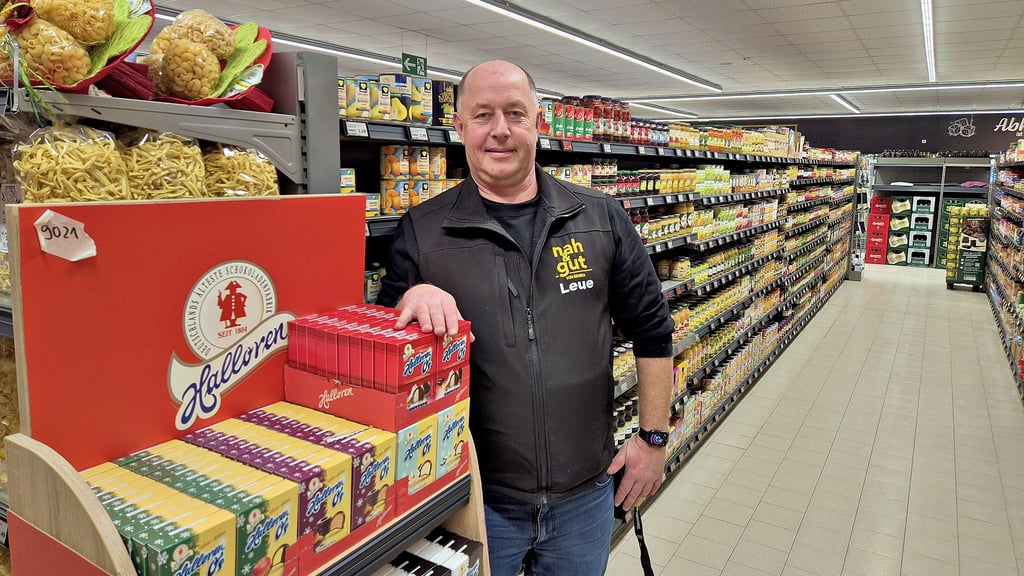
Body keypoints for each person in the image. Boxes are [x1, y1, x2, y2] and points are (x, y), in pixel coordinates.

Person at [377, 60, 674, 576]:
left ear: (540, 123)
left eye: (515, 113)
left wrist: (653, 439)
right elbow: (381, 352)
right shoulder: (422, 231)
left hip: (586, 493)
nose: (500, 130)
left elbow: (653, 332)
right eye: (483, 114)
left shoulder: (601, 217)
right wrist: (412, 298)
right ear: (460, 127)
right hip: (472, 497)